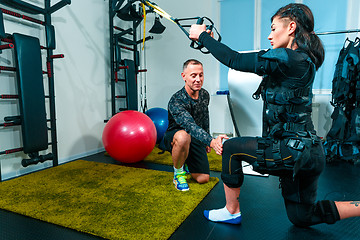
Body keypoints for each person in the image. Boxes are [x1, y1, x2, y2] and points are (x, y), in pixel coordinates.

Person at [188, 3, 360, 226]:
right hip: (310, 153)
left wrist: (202, 37)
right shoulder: (302, 60)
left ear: (291, 27)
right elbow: (235, 56)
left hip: (292, 152)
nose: (269, 36)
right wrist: (210, 41)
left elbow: (236, 60)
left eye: (273, 28)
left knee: (231, 148)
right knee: (302, 217)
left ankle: (231, 211)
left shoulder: (288, 58)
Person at [161, 59, 228, 191]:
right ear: (184, 76)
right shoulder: (177, 100)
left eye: (201, 75)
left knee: (203, 179)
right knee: (183, 136)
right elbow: (190, 125)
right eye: (193, 75)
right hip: (176, 136)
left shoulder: (204, 94)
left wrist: (206, 140)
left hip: (195, 136)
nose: (198, 79)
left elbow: (204, 117)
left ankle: (185, 161)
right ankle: (178, 173)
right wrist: (211, 141)